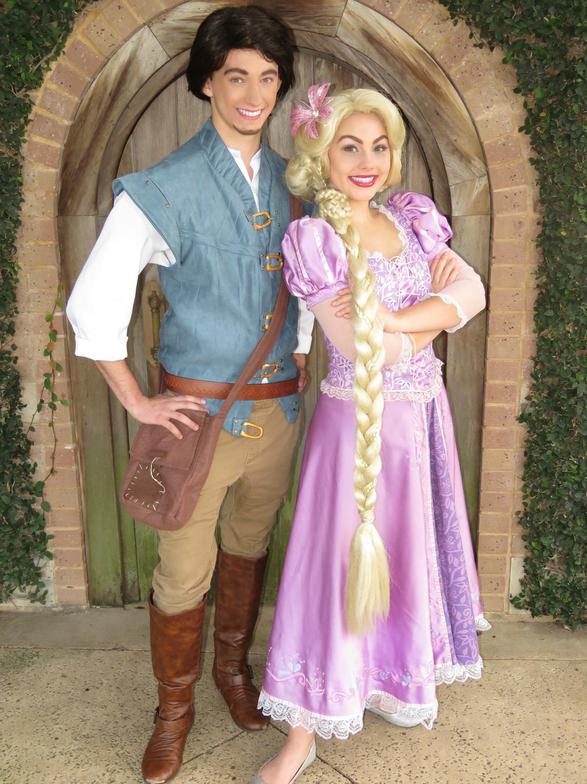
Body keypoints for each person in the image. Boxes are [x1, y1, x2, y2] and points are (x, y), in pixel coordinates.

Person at [66, 7, 314, 784]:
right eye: (237, 76)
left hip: (280, 414)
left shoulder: (298, 185)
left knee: (250, 546)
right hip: (197, 421)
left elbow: (314, 291)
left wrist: (305, 353)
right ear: (207, 82)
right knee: (181, 574)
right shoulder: (163, 187)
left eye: (268, 78)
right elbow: (92, 305)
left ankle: (232, 673)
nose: (254, 94)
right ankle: (173, 711)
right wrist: (138, 402)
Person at [251, 86, 491, 784]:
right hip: (355, 433)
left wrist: (400, 319)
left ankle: (388, 679)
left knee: (404, 558)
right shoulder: (317, 240)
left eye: (379, 147)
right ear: (321, 156)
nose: (367, 162)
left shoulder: (411, 220)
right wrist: (435, 316)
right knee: (335, 569)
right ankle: (303, 729)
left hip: (420, 425)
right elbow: (366, 352)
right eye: (349, 146)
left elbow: (473, 291)